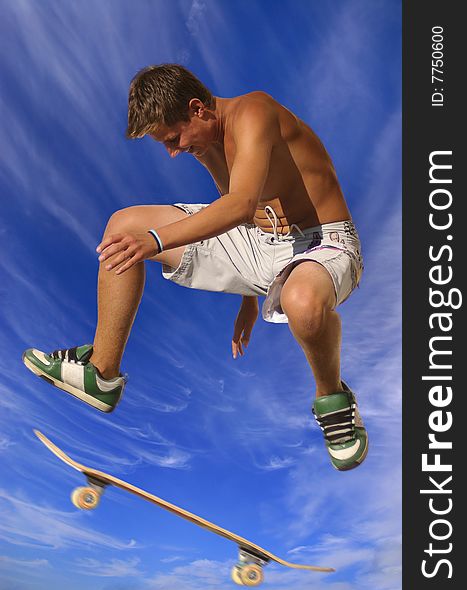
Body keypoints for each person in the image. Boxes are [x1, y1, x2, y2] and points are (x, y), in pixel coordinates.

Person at [23, 64, 368, 471]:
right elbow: (244, 219)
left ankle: (333, 399)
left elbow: (238, 205)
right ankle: (102, 372)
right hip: (260, 242)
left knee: (302, 304)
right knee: (123, 227)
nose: (173, 151)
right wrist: (249, 301)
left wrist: (154, 241)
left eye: (173, 138)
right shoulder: (206, 144)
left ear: (198, 110)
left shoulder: (256, 111)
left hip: (324, 240)